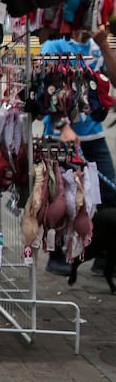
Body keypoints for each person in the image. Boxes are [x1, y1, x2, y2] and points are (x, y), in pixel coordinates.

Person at [42, 27, 116, 276]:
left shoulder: (97, 48)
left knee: (109, 194)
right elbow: (43, 93)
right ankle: (56, 254)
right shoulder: (54, 47)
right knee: (59, 197)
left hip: (92, 135)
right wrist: (62, 125)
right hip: (58, 133)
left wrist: (104, 46)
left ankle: (104, 255)